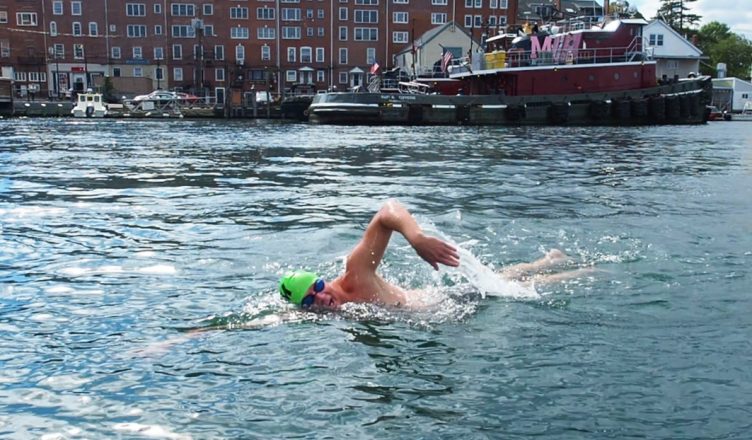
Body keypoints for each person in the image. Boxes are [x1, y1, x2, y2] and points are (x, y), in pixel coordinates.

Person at [280, 199, 596, 311]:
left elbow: (387, 211)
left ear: (322, 281)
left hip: (446, 303)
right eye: (309, 301)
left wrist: (416, 239)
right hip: (437, 302)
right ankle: (549, 261)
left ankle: (587, 273)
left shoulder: (355, 274)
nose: (320, 299)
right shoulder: (327, 315)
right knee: (503, 280)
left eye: (317, 288)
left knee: (518, 290)